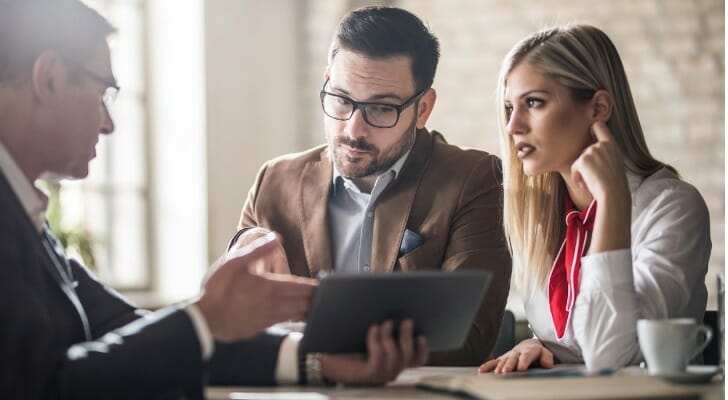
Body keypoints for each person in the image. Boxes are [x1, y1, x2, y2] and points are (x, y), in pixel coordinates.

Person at [0, 0, 427, 398]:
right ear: (50, 78)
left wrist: (320, 362)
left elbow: (124, 330)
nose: (109, 123)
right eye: (102, 93)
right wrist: (205, 318)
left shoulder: (22, 209)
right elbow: (42, 388)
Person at [229, 5, 512, 366]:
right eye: (342, 100)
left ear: (423, 108)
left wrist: (313, 343)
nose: (353, 129)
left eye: (381, 109)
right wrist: (240, 249)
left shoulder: (476, 180)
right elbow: (234, 323)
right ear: (327, 80)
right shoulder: (275, 180)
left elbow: (467, 337)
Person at [478, 24, 711, 374]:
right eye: (510, 107)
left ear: (598, 108)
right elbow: (582, 342)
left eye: (534, 103)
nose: (513, 126)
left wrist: (612, 199)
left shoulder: (672, 208)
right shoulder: (543, 216)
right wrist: (544, 346)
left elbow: (609, 353)